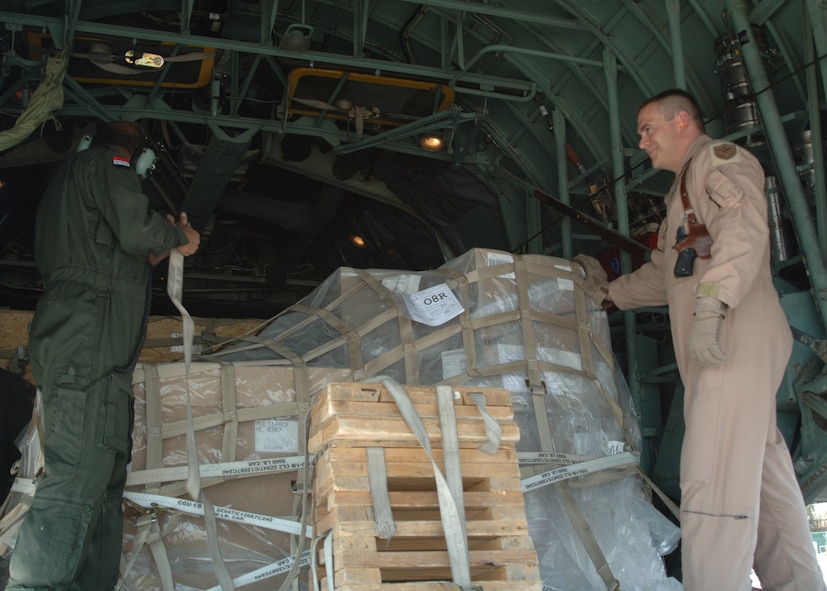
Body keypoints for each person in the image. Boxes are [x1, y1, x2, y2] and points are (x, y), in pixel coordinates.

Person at [575, 89, 825, 591]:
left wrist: (712, 305)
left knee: (710, 475)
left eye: (649, 128)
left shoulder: (717, 161)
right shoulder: (683, 194)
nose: (641, 141)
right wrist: (605, 296)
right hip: (729, 338)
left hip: (731, 335)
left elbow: (745, 228)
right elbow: (667, 275)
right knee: (761, 474)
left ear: (682, 120)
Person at [5, 120, 200, 591]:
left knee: (103, 482)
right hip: (89, 343)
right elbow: (137, 229)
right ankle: (34, 586)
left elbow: (119, 247)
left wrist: (152, 253)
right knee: (78, 476)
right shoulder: (104, 163)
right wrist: (177, 239)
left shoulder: (75, 194)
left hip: (96, 350)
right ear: (137, 157)